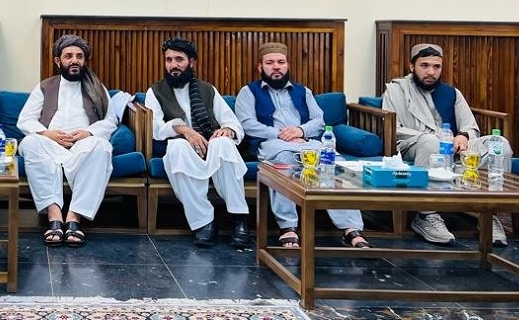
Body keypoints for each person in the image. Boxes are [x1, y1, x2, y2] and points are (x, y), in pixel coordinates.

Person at [235, 42, 372, 249]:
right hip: (272, 144)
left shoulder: (303, 91)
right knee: (283, 162)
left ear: (287, 65)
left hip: (306, 143)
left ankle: (351, 228)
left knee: (332, 163)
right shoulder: (248, 92)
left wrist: (300, 131)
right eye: (270, 63)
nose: (276, 67)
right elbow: (246, 124)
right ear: (260, 67)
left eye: (281, 62)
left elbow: (319, 120)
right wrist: (282, 134)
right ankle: (288, 227)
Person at [383, 42, 513, 247]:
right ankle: (426, 215)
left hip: (454, 149)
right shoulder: (396, 90)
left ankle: (489, 214)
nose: (431, 72)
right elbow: (395, 129)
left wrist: (463, 136)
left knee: (499, 144)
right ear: (412, 66)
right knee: (430, 142)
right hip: (415, 145)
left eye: (436, 67)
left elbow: (470, 126)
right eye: (424, 65)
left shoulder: (451, 93)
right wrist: (438, 138)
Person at [145, 37, 249, 248]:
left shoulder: (207, 89)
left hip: (211, 146)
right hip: (182, 147)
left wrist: (227, 130)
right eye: (169, 60)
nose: (173, 65)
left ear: (191, 62)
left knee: (224, 144)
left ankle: (239, 219)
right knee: (177, 148)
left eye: (179, 59)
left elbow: (231, 122)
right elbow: (155, 128)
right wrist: (184, 130)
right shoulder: (155, 91)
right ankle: (205, 222)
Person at [17, 34, 119, 248]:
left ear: (84, 60)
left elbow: (111, 120)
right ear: (58, 61)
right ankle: (54, 216)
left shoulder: (97, 88)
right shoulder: (45, 87)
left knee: (102, 147)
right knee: (29, 143)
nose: (74, 60)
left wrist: (89, 133)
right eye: (69, 56)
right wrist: (47, 134)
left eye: (79, 56)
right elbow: (25, 120)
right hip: (50, 144)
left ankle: (74, 217)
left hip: (82, 144)